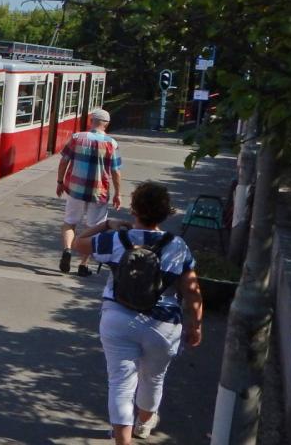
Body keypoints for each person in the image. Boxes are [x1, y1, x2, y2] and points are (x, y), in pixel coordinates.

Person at [72, 182, 203, 444]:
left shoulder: (117, 239)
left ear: (134, 210)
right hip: (163, 324)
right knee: (154, 378)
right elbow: (191, 290)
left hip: (118, 319)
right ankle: (143, 424)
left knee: (120, 383)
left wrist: (106, 224)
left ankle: (122, 440)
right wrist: (196, 325)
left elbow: (78, 243)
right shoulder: (177, 245)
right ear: (166, 213)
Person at [58, 108, 123, 277]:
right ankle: (83, 265)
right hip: (99, 192)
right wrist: (118, 193)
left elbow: (63, 162)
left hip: (75, 189)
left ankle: (67, 250)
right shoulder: (111, 143)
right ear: (106, 124)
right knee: (93, 228)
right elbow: (116, 171)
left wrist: (60, 182)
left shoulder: (76, 137)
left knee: (70, 222)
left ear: (91, 121)